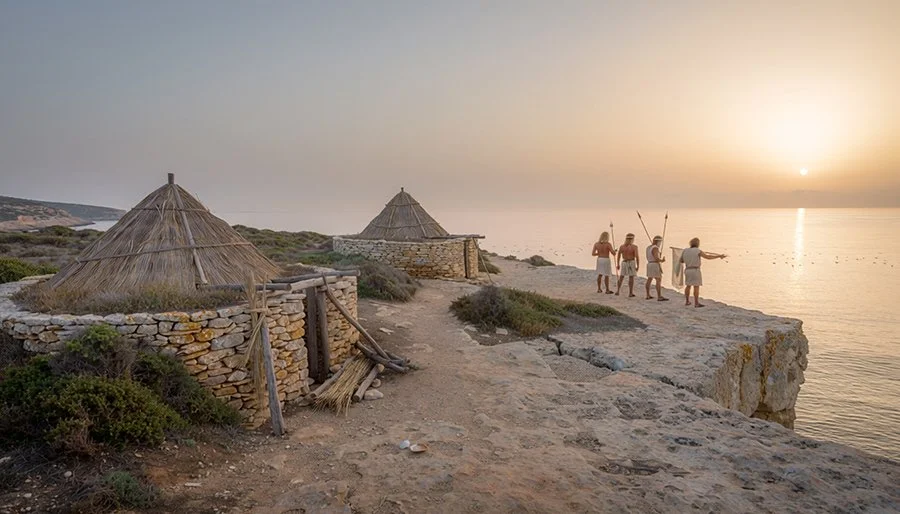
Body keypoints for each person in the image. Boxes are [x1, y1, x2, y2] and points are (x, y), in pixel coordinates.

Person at [679, 237, 726, 307]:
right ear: (698, 244)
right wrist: (719, 256)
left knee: (688, 286)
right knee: (696, 286)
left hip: (687, 270)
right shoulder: (698, 250)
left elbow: (681, 261)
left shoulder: (685, 250)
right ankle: (696, 303)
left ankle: (687, 301)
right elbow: (708, 257)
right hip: (695, 270)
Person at [615, 233, 639, 297]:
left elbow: (618, 256)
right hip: (631, 262)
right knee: (631, 278)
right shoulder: (634, 247)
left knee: (621, 277)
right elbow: (637, 257)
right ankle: (630, 293)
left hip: (624, 262)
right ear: (632, 239)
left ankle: (617, 291)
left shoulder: (622, 246)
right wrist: (638, 266)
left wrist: (618, 264)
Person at [645, 235, 668, 301]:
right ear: (658, 241)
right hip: (654, 265)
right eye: (660, 242)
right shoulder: (655, 248)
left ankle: (648, 295)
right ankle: (659, 296)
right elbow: (656, 258)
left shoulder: (648, 247)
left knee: (649, 279)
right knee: (658, 280)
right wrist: (662, 260)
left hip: (649, 264)